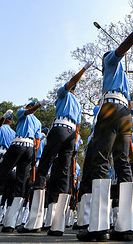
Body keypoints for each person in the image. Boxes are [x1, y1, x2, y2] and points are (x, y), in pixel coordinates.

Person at [77, 18, 133, 242]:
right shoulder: (122, 77)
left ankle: (98, 226)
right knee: (123, 164)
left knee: (100, 159)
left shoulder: (110, 61)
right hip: (125, 114)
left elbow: (120, 49)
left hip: (110, 108)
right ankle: (125, 227)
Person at [19, 62, 92, 235]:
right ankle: (58, 224)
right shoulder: (78, 104)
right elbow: (79, 126)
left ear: (69, 87)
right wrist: (74, 141)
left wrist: (83, 70)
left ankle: (34, 222)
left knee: (43, 169)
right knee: (64, 175)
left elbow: (70, 82)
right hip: (72, 135)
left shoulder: (63, 93)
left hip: (59, 129)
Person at [0, 99, 47, 232]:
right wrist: (33, 157)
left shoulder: (22, 112)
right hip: (30, 149)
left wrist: (39, 105)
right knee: (20, 183)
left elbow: (28, 112)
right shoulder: (38, 122)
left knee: (1, 177)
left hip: (18, 145)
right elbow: (37, 141)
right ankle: (11, 223)